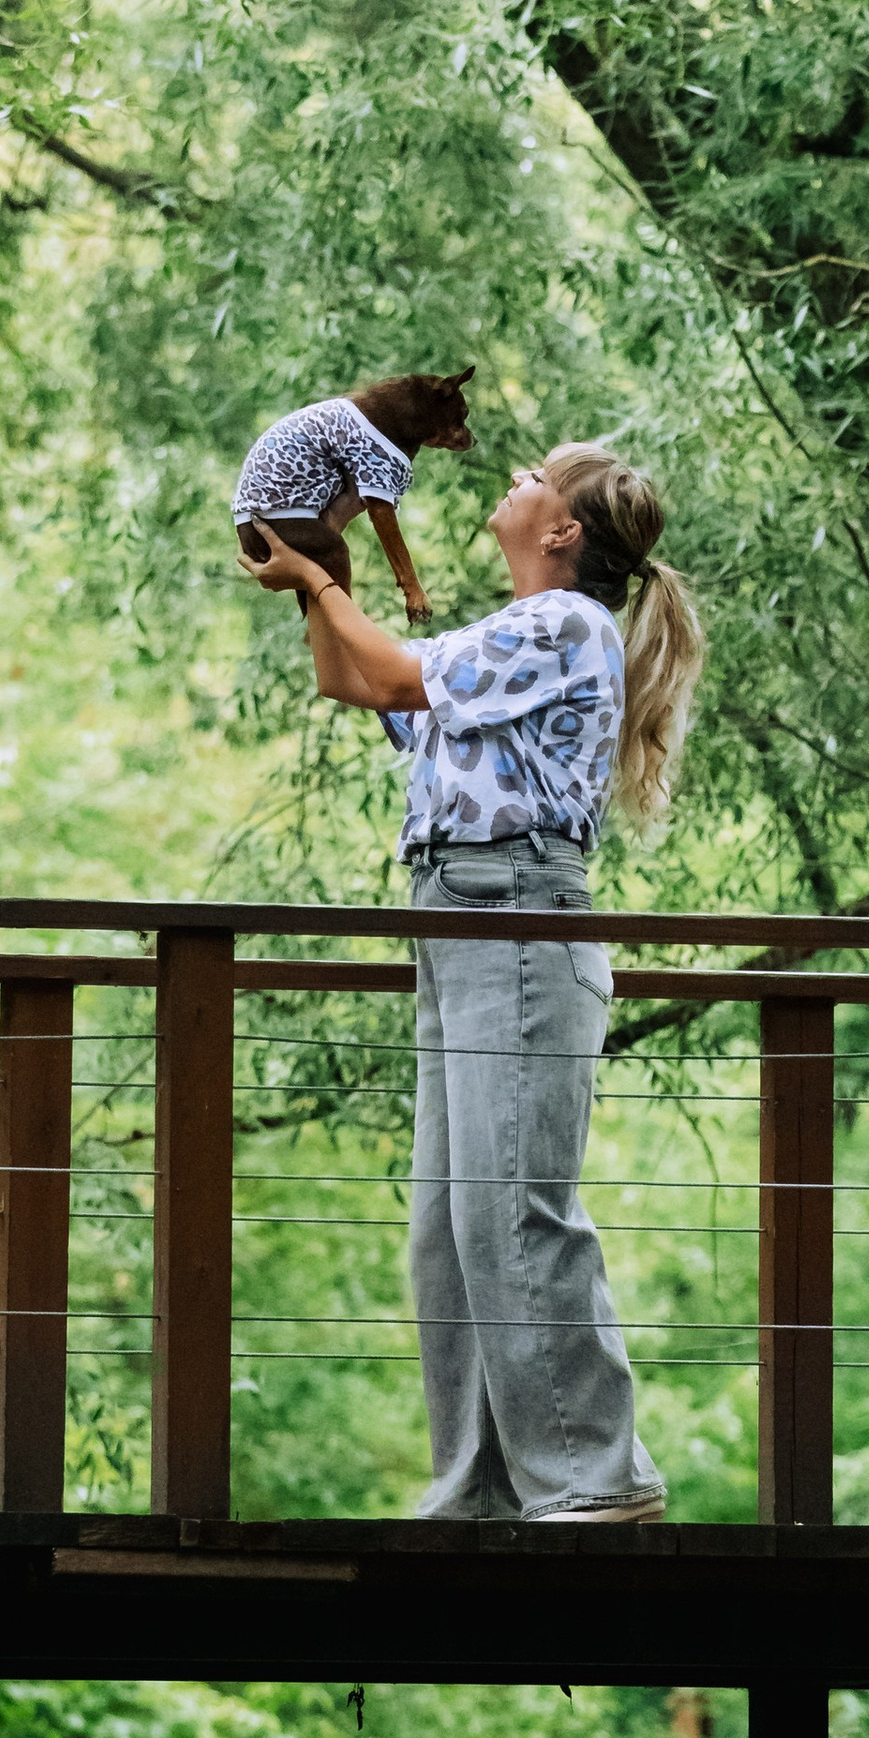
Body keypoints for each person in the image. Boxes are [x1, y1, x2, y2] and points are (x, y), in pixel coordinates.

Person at [238, 442, 706, 1521]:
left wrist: (317, 580)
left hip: (516, 915)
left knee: (515, 1206)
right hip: (456, 919)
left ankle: (596, 1479)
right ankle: (485, 1487)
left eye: (537, 474)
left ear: (563, 531)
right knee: (450, 1226)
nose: (513, 477)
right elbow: (352, 675)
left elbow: (395, 670)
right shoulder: (507, 638)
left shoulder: (564, 626)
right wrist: (322, 561)